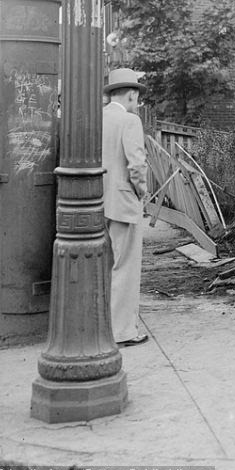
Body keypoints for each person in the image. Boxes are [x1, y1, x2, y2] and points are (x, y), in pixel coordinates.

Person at [102, 67, 150, 346]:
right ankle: (123, 331)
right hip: (123, 203)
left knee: (108, 266)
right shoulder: (129, 121)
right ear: (132, 94)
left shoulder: (99, 118)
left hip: (100, 201)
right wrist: (141, 193)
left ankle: (107, 325)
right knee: (126, 268)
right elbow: (137, 166)